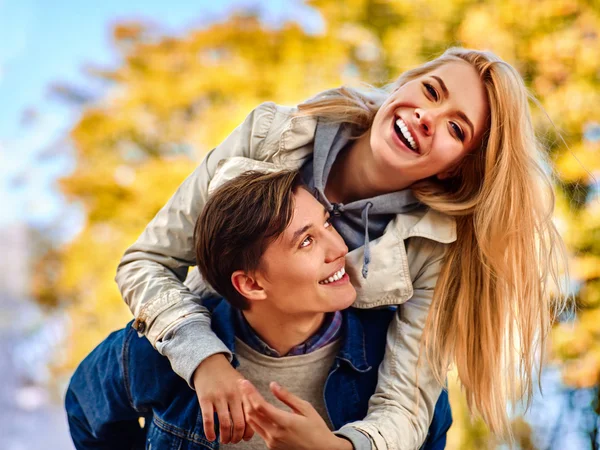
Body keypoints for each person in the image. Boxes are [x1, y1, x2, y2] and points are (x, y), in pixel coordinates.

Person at [115, 47, 568, 449]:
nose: (427, 118)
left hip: (331, 413)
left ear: (455, 168)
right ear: (405, 83)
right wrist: (207, 362)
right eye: (431, 91)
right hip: (206, 387)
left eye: (456, 128)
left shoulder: (434, 250)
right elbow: (145, 262)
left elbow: (406, 406)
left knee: (438, 411)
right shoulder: (270, 138)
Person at [65, 170, 452, 450]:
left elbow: (428, 436)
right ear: (250, 284)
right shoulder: (155, 351)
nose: (338, 249)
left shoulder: (394, 360)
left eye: (326, 224)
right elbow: (85, 407)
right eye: (306, 242)